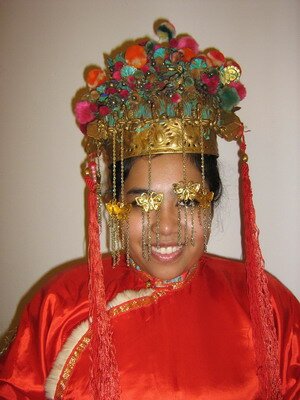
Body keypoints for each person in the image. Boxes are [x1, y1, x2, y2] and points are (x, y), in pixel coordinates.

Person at [0, 20, 299, 400]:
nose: (167, 227)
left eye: (188, 199)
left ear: (213, 200)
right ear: (116, 205)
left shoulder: (269, 306)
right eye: (143, 202)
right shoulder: (60, 305)